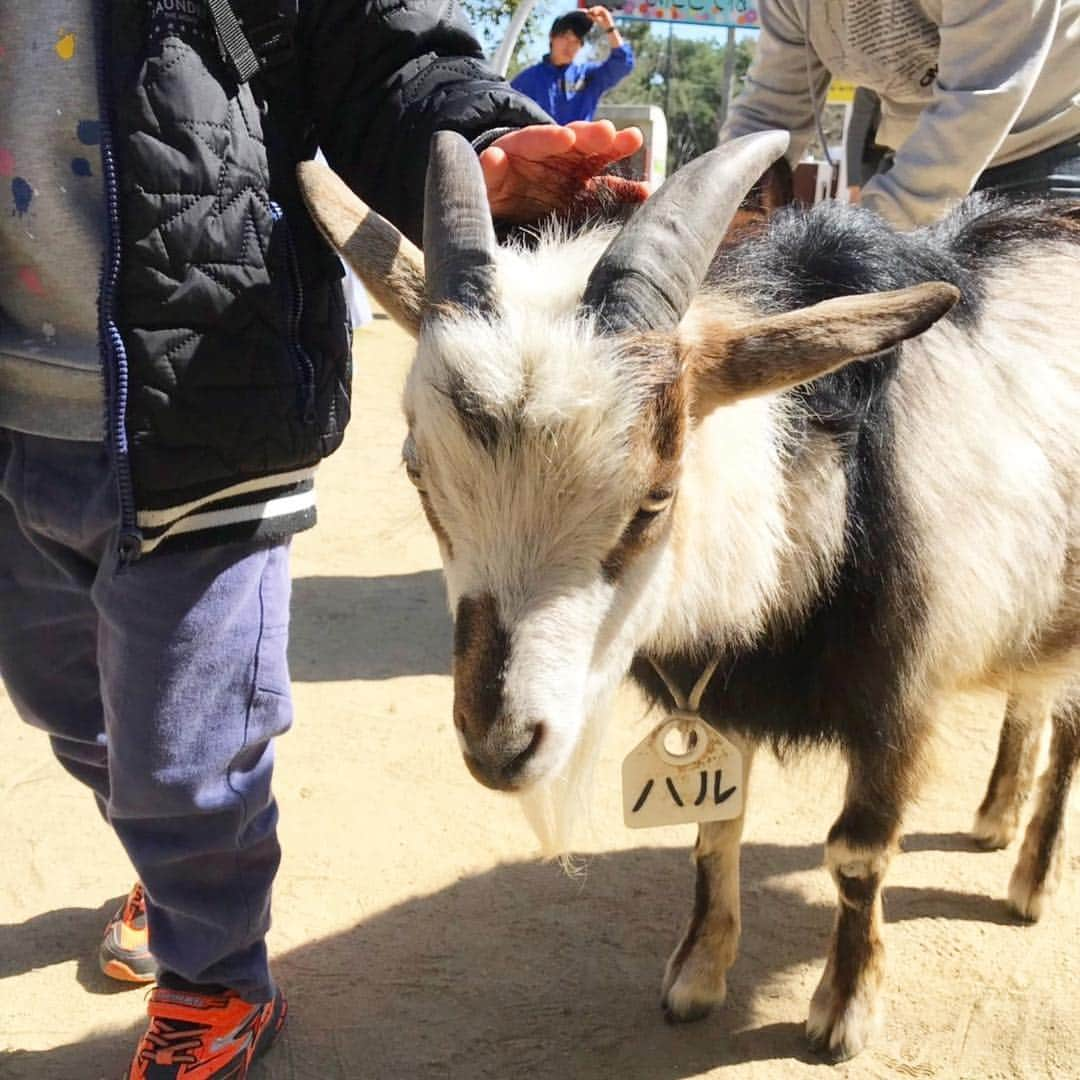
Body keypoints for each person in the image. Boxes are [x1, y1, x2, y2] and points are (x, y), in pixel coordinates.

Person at [0, 3, 645, 1078]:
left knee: (187, 754)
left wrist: (481, 142)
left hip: (205, 402)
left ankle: (216, 983)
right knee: (63, 698)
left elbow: (389, 58)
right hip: (17, 417)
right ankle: (165, 867)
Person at [720, 0, 1080, 228]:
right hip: (921, 157)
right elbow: (769, 112)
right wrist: (719, 213)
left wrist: (868, 233)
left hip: (1047, 145)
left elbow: (979, 99)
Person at [511, 8, 635, 124]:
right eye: (566, 37)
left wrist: (609, 27)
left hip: (579, 146)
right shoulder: (527, 79)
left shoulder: (588, 76)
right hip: (538, 145)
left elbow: (622, 63)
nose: (570, 45)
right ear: (552, 37)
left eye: (577, 41)